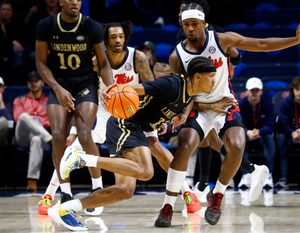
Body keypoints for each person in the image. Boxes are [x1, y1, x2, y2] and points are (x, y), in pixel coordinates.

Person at [154, 2, 300, 227]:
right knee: (184, 146)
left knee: (237, 144)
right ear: (182, 24)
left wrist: (295, 40)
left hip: (226, 103)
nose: (190, 28)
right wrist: (186, 112)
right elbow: (183, 94)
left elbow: (260, 43)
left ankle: (217, 196)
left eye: (195, 24)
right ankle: (168, 205)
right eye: (186, 24)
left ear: (204, 24)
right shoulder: (177, 56)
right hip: (199, 107)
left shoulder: (222, 39)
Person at [48, 56, 217, 231]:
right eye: (211, 76)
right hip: (127, 123)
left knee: (124, 190)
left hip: (136, 128)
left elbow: (183, 102)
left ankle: (64, 210)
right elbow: (139, 88)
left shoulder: (188, 93)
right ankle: (83, 159)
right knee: (145, 171)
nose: (214, 81)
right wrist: (114, 89)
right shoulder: (173, 84)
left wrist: (173, 117)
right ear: (197, 76)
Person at [35, 0, 113, 208]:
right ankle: (65, 191)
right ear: (61, 2)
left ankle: (97, 187)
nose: (75, 2)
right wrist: (57, 89)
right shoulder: (46, 25)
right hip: (58, 84)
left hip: (85, 84)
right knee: (59, 136)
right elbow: (41, 63)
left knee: (85, 133)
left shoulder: (92, 26)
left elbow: (103, 63)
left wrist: (112, 86)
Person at [12, 71, 52, 192]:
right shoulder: (19, 100)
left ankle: (32, 181)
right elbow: (18, 118)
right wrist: (37, 122)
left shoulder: (49, 101)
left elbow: (51, 121)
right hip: (23, 135)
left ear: (42, 82)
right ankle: (50, 140)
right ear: (28, 84)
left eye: (36, 81)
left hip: (41, 134)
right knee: (24, 116)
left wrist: (40, 124)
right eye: (31, 81)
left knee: (37, 139)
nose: (33, 83)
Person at [238, 77, 275, 189]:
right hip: (246, 134)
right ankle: (245, 176)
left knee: (270, 140)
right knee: (238, 141)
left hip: (262, 134)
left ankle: (268, 176)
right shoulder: (240, 105)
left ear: (261, 91)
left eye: (256, 91)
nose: (254, 93)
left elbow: (270, 125)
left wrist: (259, 131)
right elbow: (238, 123)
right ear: (246, 92)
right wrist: (247, 132)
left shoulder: (268, 105)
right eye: (251, 91)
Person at [0, 77, 11, 146]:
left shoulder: (7, 104)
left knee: (3, 121)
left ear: (3, 89)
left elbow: (10, 123)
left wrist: (1, 103)